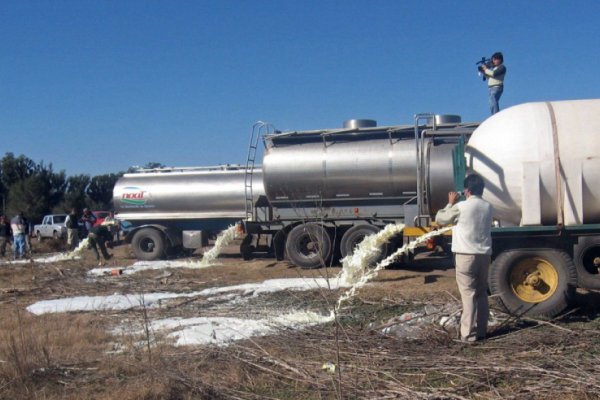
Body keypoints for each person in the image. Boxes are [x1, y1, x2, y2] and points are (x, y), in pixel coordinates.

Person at [435, 174, 494, 343]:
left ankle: (468, 334)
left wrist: (450, 202)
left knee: (468, 294)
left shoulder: (461, 207)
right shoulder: (488, 206)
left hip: (465, 255)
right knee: (482, 293)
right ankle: (481, 331)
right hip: (484, 255)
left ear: (467, 190)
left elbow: (440, 218)